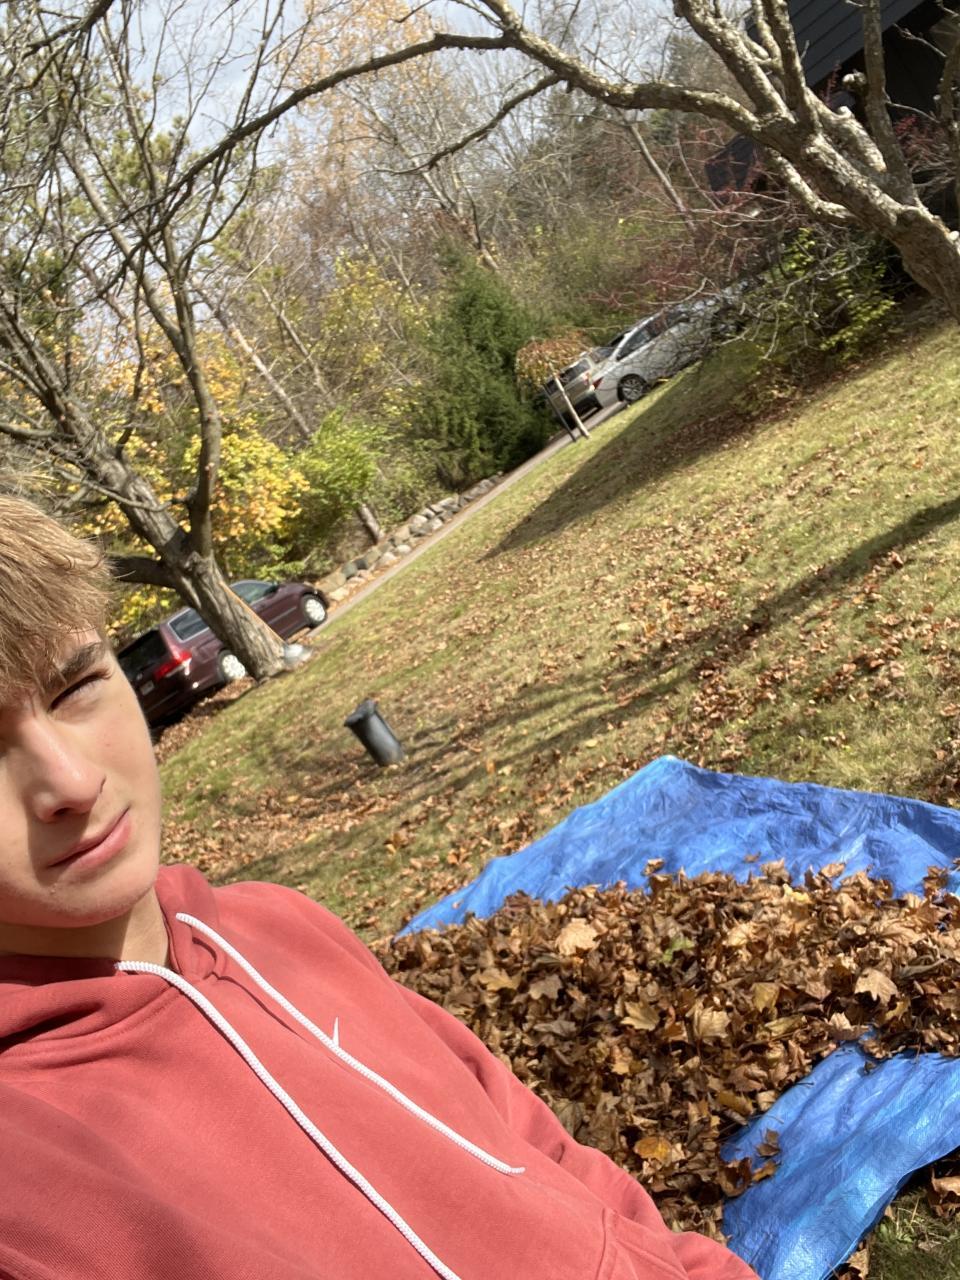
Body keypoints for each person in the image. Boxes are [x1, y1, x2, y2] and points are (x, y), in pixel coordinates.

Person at [0, 495, 759, 1280]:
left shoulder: (280, 924)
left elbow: (527, 1142)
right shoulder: (19, 1186)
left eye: (74, 688)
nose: (72, 783)